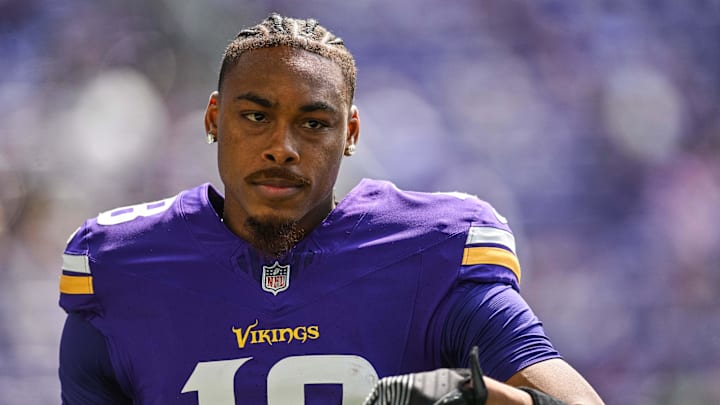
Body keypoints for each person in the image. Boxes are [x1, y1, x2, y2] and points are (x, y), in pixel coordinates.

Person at [57, 14, 604, 405]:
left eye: (314, 123)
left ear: (351, 134)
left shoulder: (430, 252)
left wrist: (490, 399)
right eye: (255, 116)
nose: (282, 147)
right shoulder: (121, 266)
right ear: (213, 119)